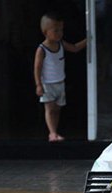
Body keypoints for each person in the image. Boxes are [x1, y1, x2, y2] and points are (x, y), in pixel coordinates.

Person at [34, 12, 86, 142]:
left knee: (57, 108)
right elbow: (37, 68)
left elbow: (74, 48)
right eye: (56, 30)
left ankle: (55, 131)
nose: (59, 33)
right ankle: (51, 133)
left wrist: (88, 40)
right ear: (46, 32)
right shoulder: (42, 49)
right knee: (50, 108)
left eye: (61, 30)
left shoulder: (61, 44)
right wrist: (39, 84)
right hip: (48, 84)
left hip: (60, 82)